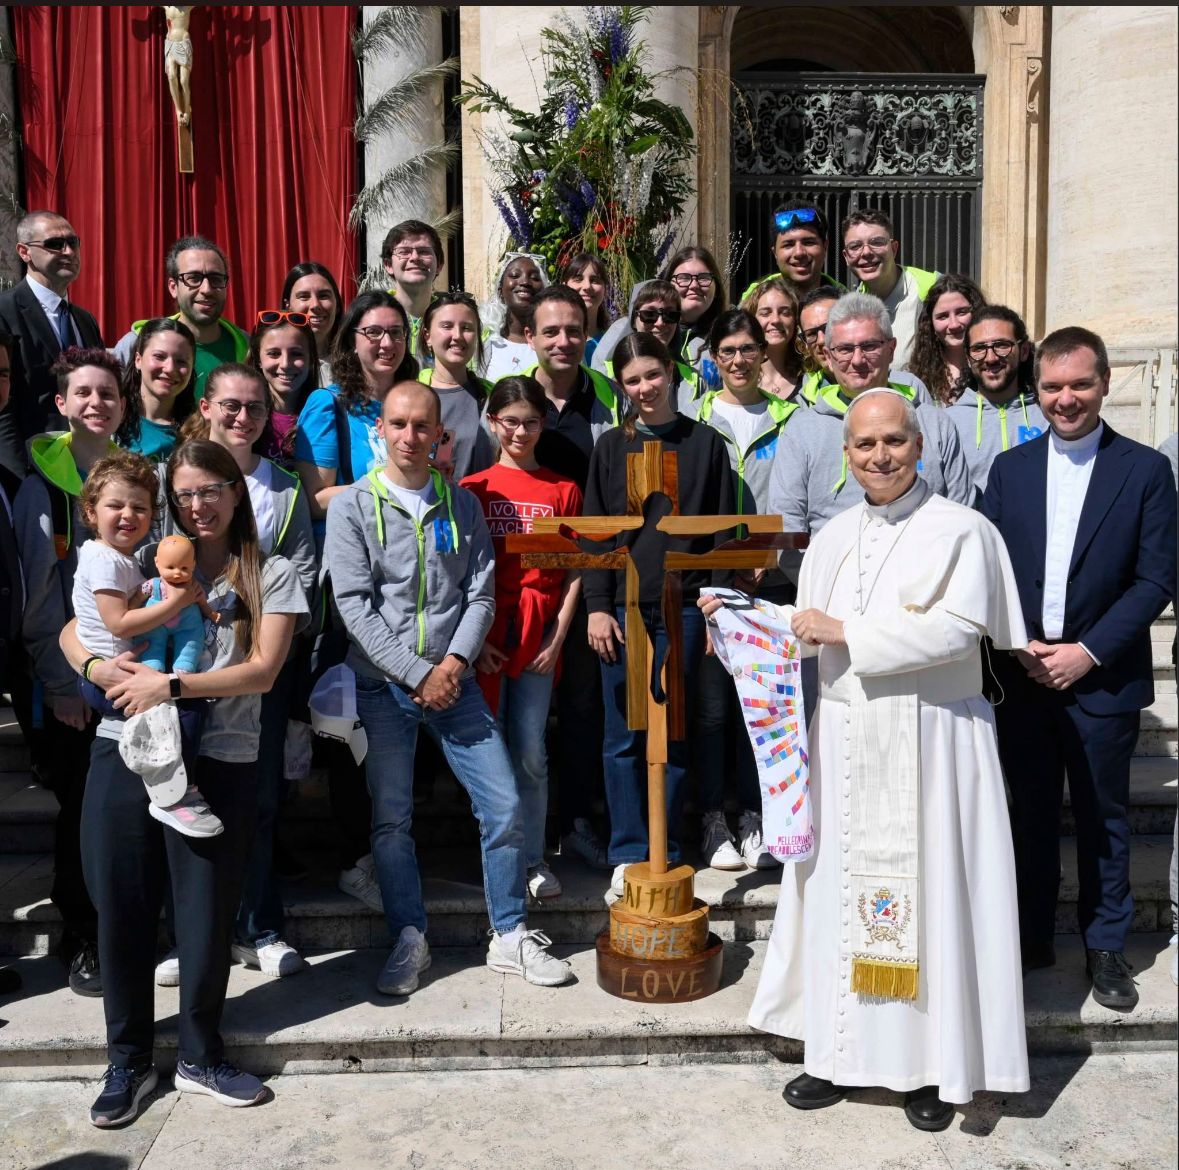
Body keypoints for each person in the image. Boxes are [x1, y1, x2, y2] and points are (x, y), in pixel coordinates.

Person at [710, 387, 1031, 1130]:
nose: (879, 456)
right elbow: (806, 631)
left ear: (918, 444)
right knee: (838, 899)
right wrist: (740, 619)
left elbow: (956, 634)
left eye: (893, 441)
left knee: (936, 898)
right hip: (847, 738)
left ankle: (932, 1068)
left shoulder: (963, 530)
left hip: (933, 737)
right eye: (864, 444)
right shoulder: (831, 537)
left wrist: (843, 631)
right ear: (846, 453)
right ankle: (835, 1054)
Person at [61, 438, 307, 1126]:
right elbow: (72, 631)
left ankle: (200, 1056)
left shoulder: (271, 572)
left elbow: (263, 671)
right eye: (186, 493)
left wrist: (168, 685)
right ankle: (127, 1062)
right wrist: (96, 670)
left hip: (221, 757)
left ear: (236, 493)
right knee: (123, 907)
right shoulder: (144, 558)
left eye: (211, 490)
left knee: (203, 916)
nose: (199, 505)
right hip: (125, 749)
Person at [325, 378, 574, 993]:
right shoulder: (353, 506)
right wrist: (417, 674)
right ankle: (410, 936)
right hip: (383, 688)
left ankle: (509, 933)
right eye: (399, 424)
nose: (410, 437)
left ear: (441, 434)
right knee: (392, 820)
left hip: (454, 685)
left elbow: (480, 593)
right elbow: (353, 607)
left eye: (422, 426)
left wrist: (453, 664)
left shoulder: (460, 504)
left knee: (504, 805)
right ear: (380, 430)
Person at [981, 327, 1177, 1009]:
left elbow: (1155, 580)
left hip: (1103, 678)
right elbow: (989, 567)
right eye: (1052, 386)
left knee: (1103, 819)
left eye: (1080, 384)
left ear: (1104, 384)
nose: (1065, 399)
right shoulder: (1008, 469)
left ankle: (1105, 946)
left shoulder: (1145, 471)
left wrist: (1085, 652)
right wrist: (1017, 644)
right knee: (1028, 814)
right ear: (1035, 390)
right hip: (1024, 675)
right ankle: (1030, 937)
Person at [179, 364, 317, 979]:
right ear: (206, 407)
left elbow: (303, 572)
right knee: (181, 795)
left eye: (255, 407)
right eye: (231, 405)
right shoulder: (177, 473)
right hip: (185, 661)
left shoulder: (284, 487)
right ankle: (191, 935)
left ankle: (257, 927)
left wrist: (260, 630)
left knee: (258, 798)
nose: (243, 417)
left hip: (262, 664)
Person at [584, 333, 735, 894]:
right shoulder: (610, 448)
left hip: (684, 605)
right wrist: (597, 606)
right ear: (620, 387)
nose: (644, 388)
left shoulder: (705, 443)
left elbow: (721, 530)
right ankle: (629, 850)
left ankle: (664, 847)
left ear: (670, 371)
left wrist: (717, 607)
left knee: (671, 730)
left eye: (652, 374)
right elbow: (596, 533)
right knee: (623, 732)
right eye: (632, 380)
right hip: (623, 608)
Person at [11, 348, 128, 998]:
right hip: (74, 686)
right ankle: (81, 935)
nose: (95, 403)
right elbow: (38, 598)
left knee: (119, 812)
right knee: (81, 810)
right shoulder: (43, 488)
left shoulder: (132, 478)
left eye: (107, 393)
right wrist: (62, 683)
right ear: (61, 404)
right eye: (83, 393)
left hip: (130, 679)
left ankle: (120, 926)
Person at [461, 376, 583, 900]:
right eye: (509, 421)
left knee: (530, 749)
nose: (520, 432)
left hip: (538, 634)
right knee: (487, 753)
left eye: (531, 422)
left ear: (544, 423)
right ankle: (499, 857)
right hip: (485, 632)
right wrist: (473, 643)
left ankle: (533, 857)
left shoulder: (563, 489)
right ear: (492, 422)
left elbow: (575, 568)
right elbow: (459, 572)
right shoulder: (473, 488)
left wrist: (557, 637)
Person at [690, 310, 800, 871]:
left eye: (748, 349)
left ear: (764, 353)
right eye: (727, 351)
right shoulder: (695, 415)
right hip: (711, 584)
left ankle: (758, 817)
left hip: (771, 581)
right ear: (713, 358)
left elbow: (795, 496)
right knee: (713, 710)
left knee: (764, 707)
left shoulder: (792, 417)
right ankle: (713, 820)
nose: (738, 360)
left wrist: (766, 555)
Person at [70, 452, 221, 837]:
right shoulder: (105, 561)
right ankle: (176, 796)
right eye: (115, 505)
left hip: (115, 670)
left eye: (139, 507)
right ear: (90, 511)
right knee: (186, 708)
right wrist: (176, 603)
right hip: (111, 678)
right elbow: (117, 621)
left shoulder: (119, 559)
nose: (128, 515)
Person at [522, 286, 618, 872]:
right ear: (528, 337)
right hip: (522, 580)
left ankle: (577, 819)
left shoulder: (608, 396)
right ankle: (523, 830)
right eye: (551, 331)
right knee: (523, 704)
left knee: (583, 703)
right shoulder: (513, 398)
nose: (563, 341)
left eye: (574, 330)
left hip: (590, 574)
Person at [769, 292, 975, 551]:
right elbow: (786, 524)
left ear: (891, 349)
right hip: (832, 573)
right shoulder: (802, 430)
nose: (857, 360)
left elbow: (962, 514)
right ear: (829, 356)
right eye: (845, 349)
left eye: (869, 346)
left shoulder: (934, 424)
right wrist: (818, 575)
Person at [295, 291, 418, 533]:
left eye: (396, 332)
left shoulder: (416, 403)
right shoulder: (328, 404)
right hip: (355, 543)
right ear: (352, 341)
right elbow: (315, 502)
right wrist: (388, 488)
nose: (387, 343)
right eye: (374, 332)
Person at [0, 211, 103, 484]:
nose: (68, 251)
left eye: (73, 242)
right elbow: (4, 409)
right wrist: (21, 480)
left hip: (87, 471)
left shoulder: (85, 321)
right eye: (55, 244)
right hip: (33, 470)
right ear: (24, 252)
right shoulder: (5, 312)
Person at [112, 235, 249, 401]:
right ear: (173, 287)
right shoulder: (135, 345)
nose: (206, 289)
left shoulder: (249, 347)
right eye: (194, 278)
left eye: (216, 279)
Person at [945, 305, 1046, 492]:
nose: (990, 358)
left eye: (1001, 345)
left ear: (1024, 351)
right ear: (967, 358)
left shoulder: (1047, 416)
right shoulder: (947, 423)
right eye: (979, 348)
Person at [841, 209, 939, 368]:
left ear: (894, 249)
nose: (866, 252)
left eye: (877, 242)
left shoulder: (933, 288)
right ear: (846, 257)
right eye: (855, 246)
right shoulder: (851, 307)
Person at [415, 291, 494, 481]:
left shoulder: (493, 396)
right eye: (447, 326)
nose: (457, 336)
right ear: (427, 336)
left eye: (466, 328)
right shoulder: (410, 395)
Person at [116, 318, 197, 461]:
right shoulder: (111, 418)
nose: (170, 369)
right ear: (138, 360)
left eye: (181, 361)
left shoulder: (200, 430)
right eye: (159, 356)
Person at [247, 310, 320, 468]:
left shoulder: (324, 415)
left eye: (296, 354)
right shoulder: (243, 416)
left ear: (311, 359)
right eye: (274, 353)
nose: (285, 364)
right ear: (258, 358)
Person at [739, 201, 845, 303]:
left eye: (808, 242)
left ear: (825, 247)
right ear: (775, 253)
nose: (799, 253)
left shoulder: (846, 302)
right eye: (788, 245)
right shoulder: (752, 305)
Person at [907, 274, 986, 406]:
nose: (954, 324)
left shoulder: (994, 367)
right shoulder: (916, 378)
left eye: (962, 312)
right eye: (943, 316)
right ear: (930, 323)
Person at [658, 245, 726, 392]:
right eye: (683, 278)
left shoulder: (729, 338)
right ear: (667, 284)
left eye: (704, 278)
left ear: (716, 287)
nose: (694, 285)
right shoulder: (642, 330)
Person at [480, 252, 549, 382]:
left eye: (534, 277)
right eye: (515, 275)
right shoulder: (481, 342)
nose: (525, 282)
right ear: (500, 290)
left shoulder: (557, 341)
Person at [381, 219, 443, 354]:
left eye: (424, 251)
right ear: (388, 265)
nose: (414, 257)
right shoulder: (370, 318)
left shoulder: (453, 321)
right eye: (404, 252)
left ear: (439, 265)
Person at [740, 276, 804, 402]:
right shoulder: (738, 376)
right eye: (765, 313)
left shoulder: (811, 379)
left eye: (785, 313)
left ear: (795, 320)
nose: (775, 320)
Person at [280, 261, 342, 385]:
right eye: (304, 296)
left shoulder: (356, 362)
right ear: (288, 306)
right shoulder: (277, 363)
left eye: (323, 296)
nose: (315, 305)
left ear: (337, 305)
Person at [560, 252, 611, 365]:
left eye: (595, 280)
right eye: (578, 279)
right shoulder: (554, 341)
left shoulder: (614, 341)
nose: (587, 286)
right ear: (564, 286)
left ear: (605, 288)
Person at [795, 285, 842, 406]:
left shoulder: (888, 384)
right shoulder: (801, 406)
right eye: (811, 334)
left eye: (828, 328)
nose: (821, 340)